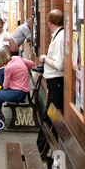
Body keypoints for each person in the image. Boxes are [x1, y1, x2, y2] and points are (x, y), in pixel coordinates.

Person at [0, 50, 35, 135]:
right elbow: (31, 64)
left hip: (17, 92)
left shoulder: (9, 68)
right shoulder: (17, 58)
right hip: (22, 91)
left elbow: (5, 86)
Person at [36, 9, 65, 153]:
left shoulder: (60, 38)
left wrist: (44, 58)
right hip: (53, 82)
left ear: (49, 22)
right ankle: (43, 148)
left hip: (57, 82)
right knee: (49, 116)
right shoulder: (58, 35)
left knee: (49, 117)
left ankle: (40, 149)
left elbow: (59, 65)